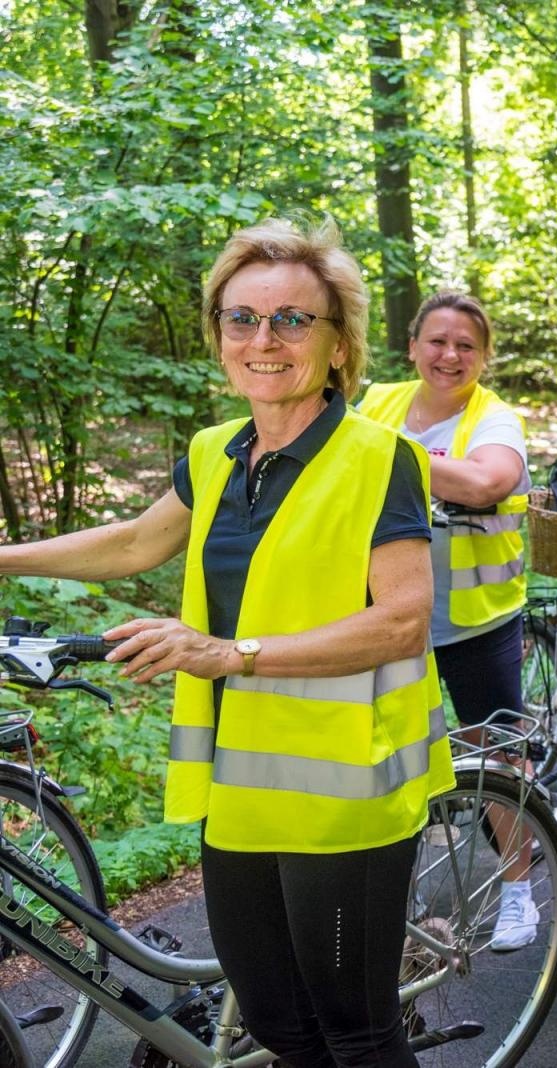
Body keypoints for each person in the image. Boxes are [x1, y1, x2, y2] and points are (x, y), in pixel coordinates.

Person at [0, 217, 453, 1067]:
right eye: (242, 318)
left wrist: (226, 655)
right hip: (241, 791)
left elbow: (401, 621)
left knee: (357, 1035)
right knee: (278, 1029)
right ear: (218, 337)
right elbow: (134, 544)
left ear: (337, 344)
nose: (264, 339)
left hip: (347, 797)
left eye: (292, 319)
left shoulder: (378, 458)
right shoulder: (215, 453)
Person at [360, 292, 543, 953]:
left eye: (466, 345)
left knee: (496, 758)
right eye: (437, 341)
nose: (450, 355)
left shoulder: (493, 418)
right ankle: (397, 899)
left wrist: (392, 452)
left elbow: (486, 483)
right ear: (412, 347)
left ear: (483, 357)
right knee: (393, 756)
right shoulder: (378, 401)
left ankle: (519, 890)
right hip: (388, 615)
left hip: (474, 618)